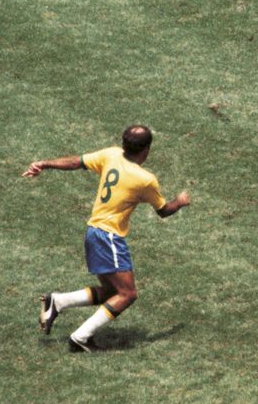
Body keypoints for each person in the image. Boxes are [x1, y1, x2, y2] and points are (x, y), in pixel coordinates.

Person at [23, 125, 191, 352]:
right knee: (127, 294)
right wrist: (179, 202)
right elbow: (163, 210)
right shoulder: (145, 179)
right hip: (108, 238)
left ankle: (58, 302)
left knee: (113, 293)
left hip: (94, 232)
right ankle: (80, 337)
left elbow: (77, 162)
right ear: (147, 150)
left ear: (123, 144)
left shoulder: (110, 155)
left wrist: (45, 163)